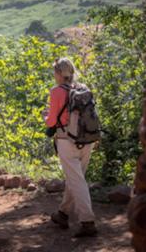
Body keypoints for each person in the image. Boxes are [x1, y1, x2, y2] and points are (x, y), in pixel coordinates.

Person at [41, 57, 98, 237]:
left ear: (59, 73)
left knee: (77, 181)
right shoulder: (83, 88)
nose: (54, 76)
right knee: (76, 179)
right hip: (87, 140)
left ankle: (87, 221)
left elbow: (51, 121)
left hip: (67, 141)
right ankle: (63, 214)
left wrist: (45, 116)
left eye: (54, 73)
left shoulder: (57, 91)